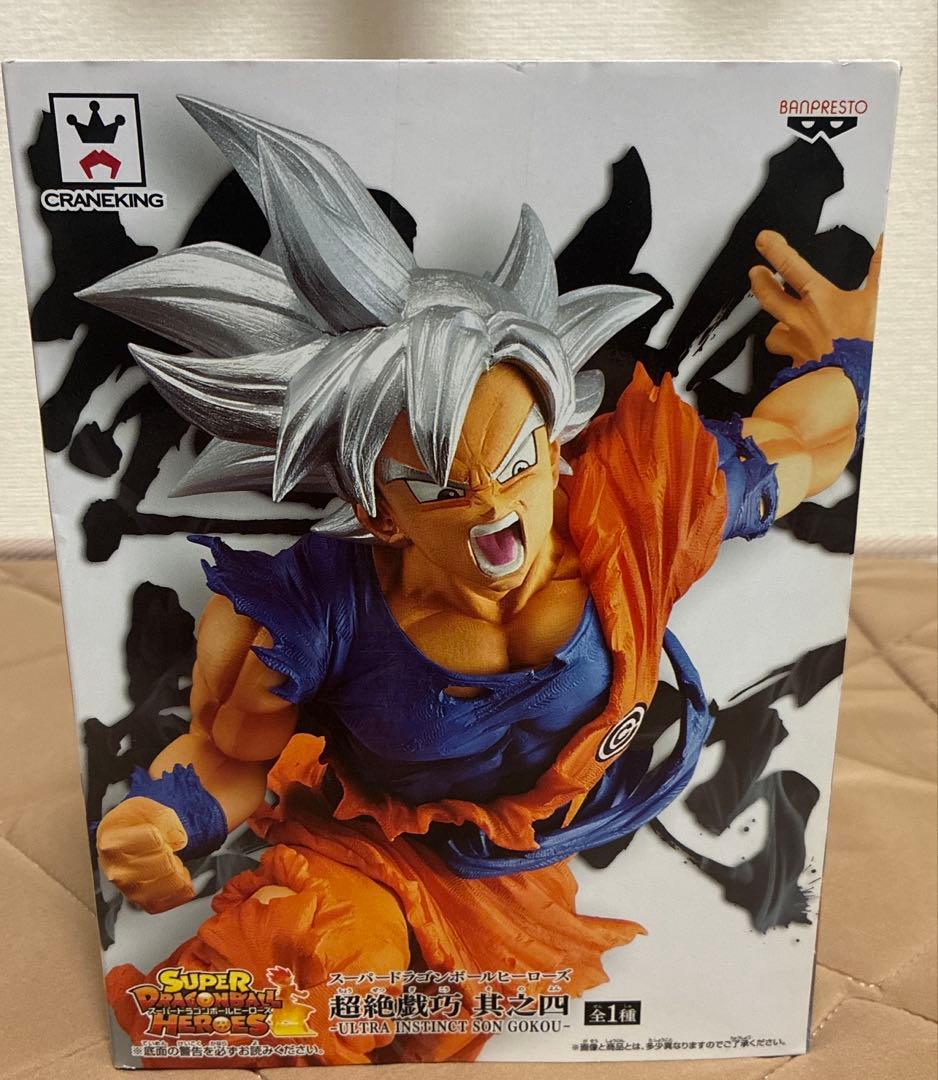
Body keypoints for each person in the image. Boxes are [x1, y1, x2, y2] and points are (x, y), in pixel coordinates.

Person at [82, 97, 879, 1065]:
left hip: (518, 876)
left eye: (516, 461)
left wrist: (853, 351)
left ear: (558, 443)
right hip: (359, 856)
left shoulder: (637, 518)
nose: (494, 509)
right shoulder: (321, 609)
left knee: (432, 1037)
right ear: (379, 509)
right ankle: (220, 1020)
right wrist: (163, 819)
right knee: (326, 975)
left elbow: (799, 441)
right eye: (441, 487)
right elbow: (233, 757)